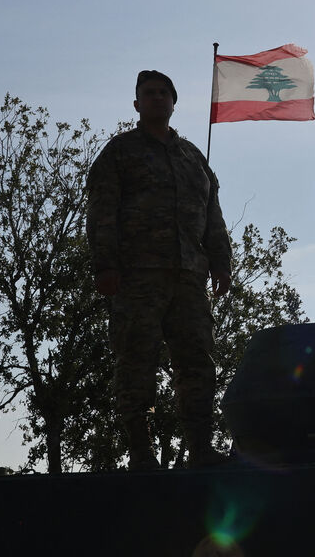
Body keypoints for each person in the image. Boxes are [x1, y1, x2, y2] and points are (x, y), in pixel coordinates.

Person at [86, 69, 233, 469]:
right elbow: (102, 212)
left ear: (173, 102)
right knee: (137, 362)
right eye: (148, 94)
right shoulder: (120, 153)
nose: (156, 99)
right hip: (137, 276)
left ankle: (201, 448)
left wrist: (222, 262)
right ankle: (140, 451)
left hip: (189, 276)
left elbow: (212, 215)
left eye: (163, 93)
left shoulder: (192, 158)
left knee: (197, 362)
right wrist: (105, 265)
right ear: (136, 104)